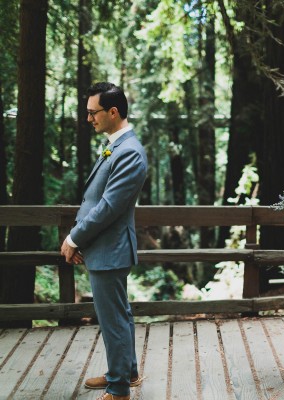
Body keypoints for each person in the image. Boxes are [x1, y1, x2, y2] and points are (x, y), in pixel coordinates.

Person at [60, 82, 148, 400]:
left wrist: (74, 237)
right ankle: (126, 372)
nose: (88, 119)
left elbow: (108, 207)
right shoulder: (115, 145)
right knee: (118, 314)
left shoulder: (131, 153)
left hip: (110, 248)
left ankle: (118, 389)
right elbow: (95, 199)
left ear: (113, 112)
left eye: (92, 112)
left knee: (112, 319)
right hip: (103, 246)